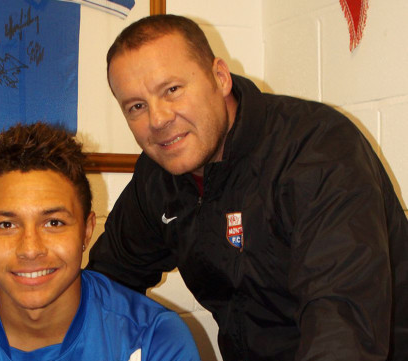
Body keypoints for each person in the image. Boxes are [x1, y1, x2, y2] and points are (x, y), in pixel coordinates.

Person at [87, 14, 408, 361]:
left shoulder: (318, 150)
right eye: (136, 106)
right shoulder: (157, 176)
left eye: (172, 90)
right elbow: (107, 286)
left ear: (220, 77)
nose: (158, 119)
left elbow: (343, 331)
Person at [0, 123, 201, 361]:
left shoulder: (153, 340)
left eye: (54, 222)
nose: (30, 248)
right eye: (6, 224)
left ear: (87, 231)